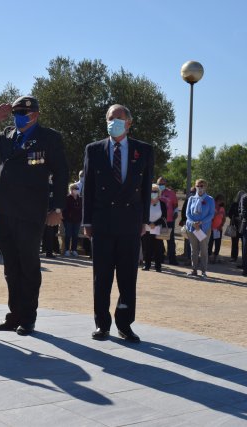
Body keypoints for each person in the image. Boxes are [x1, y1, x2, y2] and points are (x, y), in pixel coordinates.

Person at [0, 96, 68, 336]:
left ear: (35, 115)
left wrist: (57, 209)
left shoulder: (49, 138)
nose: (19, 117)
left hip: (31, 211)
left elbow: (61, 174)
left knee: (28, 264)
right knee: (10, 266)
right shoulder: (8, 134)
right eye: (16, 113)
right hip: (5, 209)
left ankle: (28, 318)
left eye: (24, 114)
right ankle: (14, 315)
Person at [83, 104, 154, 343]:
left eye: (119, 118)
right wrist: (87, 222)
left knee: (127, 278)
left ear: (129, 122)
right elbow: (89, 189)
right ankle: (102, 324)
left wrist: (144, 220)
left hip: (130, 222)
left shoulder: (143, 150)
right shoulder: (94, 150)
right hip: (102, 222)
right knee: (101, 277)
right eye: (110, 118)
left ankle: (125, 324)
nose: (114, 121)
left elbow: (145, 188)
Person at [185, 179, 215, 279]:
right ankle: (194, 270)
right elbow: (187, 213)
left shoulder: (210, 199)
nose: (200, 187)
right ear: (195, 186)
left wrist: (201, 222)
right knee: (194, 250)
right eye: (198, 185)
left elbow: (211, 214)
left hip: (204, 228)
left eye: (202, 186)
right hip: (192, 228)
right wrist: (193, 223)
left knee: (203, 250)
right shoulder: (191, 199)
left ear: (205, 187)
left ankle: (204, 271)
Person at [141, 184, 167, 272]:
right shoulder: (145, 203)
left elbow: (164, 217)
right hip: (147, 228)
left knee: (158, 249)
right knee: (147, 248)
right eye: (152, 191)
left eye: (155, 191)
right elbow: (142, 215)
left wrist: (155, 223)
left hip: (157, 229)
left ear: (159, 193)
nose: (153, 193)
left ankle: (158, 266)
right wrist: (149, 223)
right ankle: (147, 265)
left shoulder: (162, 204)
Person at [157, 177, 179, 265]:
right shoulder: (154, 192)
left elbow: (176, 205)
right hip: (157, 220)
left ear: (165, 184)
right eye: (159, 184)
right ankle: (160, 258)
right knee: (158, 240)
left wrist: (176, 212)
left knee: (170, 240)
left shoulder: (171, 193)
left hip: (169, 220)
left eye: (162, 184)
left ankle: (172, 259)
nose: (161, 186)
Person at [63, 183, 82, 256]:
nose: (76, 190)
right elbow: (65, 210)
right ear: (71, 190)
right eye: (74, 188)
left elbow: (81, 209)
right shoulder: (67, 198)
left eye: (77, 189)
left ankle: (74, 250)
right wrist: (66, 218)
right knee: (68, 235)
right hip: (68, 220)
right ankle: (67, 250)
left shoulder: (80, 199)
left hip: (77, 220)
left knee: (75, 235)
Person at [207, 194, 226, 264]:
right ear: (217, 200)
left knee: (218, 243)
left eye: (222, 200)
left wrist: (221, 225)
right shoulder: (212, 206)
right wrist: (215, 214)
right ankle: (209, 256)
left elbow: (224, 218)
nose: (221, 202)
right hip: (211, 228)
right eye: (220, 200)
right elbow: (209, 217)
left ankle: (215, 256)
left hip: (218, 229)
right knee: (210, 243)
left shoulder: (222, 208)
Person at [179, 186, 196, 260]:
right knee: (188, 240)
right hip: (188, 224)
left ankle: (195, 258)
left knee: (196, 242)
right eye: (191, 192)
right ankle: (188, 257)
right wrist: (183, 221)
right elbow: (183, 211)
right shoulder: (187, 200)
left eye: (194, 192)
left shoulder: (201, 201)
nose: (192, 193)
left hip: (198, 225)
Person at [228, 190, 245, 263]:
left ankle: (244, 259)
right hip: (235, 225)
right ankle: (233, 257)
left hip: (243, 226)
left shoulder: (245, 203)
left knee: (244, 243)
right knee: (234, 242)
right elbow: (229, 214)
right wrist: (235, 218)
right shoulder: (234, 204)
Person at [239, 191, 247, 276]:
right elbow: (243, 212)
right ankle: (245, 269)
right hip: (246, 226)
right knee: (245, 249)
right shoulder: (245, 197)